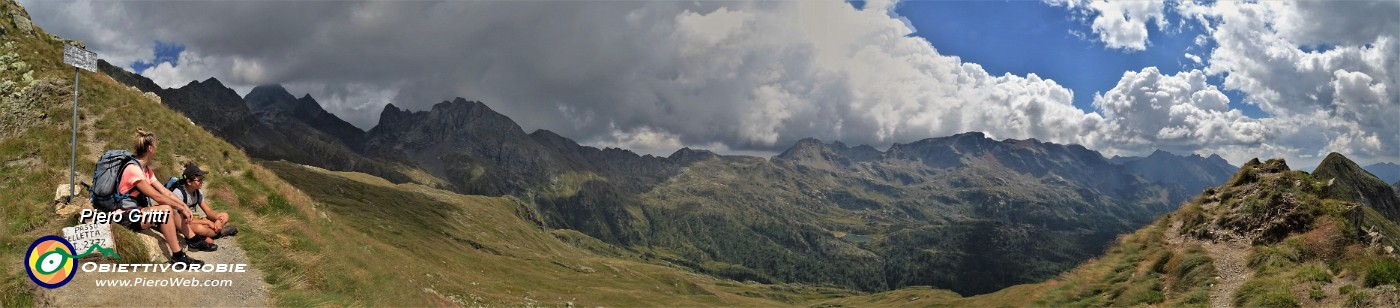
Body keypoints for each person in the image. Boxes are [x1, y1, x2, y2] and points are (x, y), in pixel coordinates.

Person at [118, 129, 212, 265]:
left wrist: (183, 206)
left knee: (171, 207)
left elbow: (165, 192)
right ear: (150, 148)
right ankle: (178, 256)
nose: (157, 147)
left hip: (138, 212)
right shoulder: (133, 169)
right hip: (125, 216)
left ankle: (193, 240)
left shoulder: (146, 170)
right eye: (155, 145)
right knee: (166, 210)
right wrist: (182, 207)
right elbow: (158, 196)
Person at [170, 162, 237, 249]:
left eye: (202, 179)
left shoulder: (197, 191)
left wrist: (217, 220)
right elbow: (181, 220)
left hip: (195, 220)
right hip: (183, 225)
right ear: (189, 182)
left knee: (224, 215)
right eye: (199, 180)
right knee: (199, 228)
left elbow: (208, 211)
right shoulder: (179, 194)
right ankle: (219, 232)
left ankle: (209, 233)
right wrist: (207, 222)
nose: (202, 182)